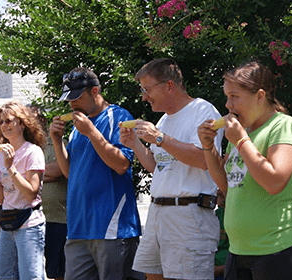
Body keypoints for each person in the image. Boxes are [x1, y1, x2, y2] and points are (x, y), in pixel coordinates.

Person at [197, 60, 292, 279]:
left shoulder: (284, 125)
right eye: (227, 96)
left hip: (277, 250)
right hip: (238, 251)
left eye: (235, 96)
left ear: (260, 96)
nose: (228, 105)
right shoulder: (240, 134)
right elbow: (227, 185)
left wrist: (240, 141)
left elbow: (275, 182)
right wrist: (208, 147)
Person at [120, 57, 223, 280]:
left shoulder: (203, 110)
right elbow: (159, 168)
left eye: (147, 89)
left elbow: (205, 160)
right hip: (159, 213)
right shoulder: (164, 121)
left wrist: (159, 138)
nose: (143, 96)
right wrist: (135, 144)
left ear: (169, 85)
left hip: (189, 215)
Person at [50, 67, 143, 280]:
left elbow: (121, 165)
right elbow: (70, 173)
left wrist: (91, 132)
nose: (72, 104)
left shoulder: (118, 116)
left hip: (112, 228)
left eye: (76, 97)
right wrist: (57, 141)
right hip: (78, 228)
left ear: (95, 91)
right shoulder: (76, 128)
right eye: (69, 99)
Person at [0, 100, 47, 280]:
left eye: (8, 121)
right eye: (1, 122)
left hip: (29, 222)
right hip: (8, 221)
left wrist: (11, 168)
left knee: (31, 276)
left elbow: (31, 193)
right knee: (4, 276)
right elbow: (0, 198)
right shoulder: (2, 155)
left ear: (22, 123)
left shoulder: (32, 152)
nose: (4, 125)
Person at [30, 105, 68, 280]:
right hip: (33, 220)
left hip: (59, 219)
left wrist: (32, 175)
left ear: (43, 120)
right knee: (40, 272)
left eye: (32, 118)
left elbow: (61, 168)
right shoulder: (25, 149)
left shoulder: (60, 143)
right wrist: (44, 174)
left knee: (60, 272)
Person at [214, 189, 229, 280]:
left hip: (230, 270)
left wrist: (219, 269)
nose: (219, 190)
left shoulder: (241, 217)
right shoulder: (215, 215)